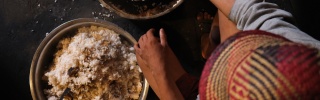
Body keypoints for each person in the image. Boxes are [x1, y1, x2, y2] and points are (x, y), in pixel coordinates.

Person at [134, 0, 320, 99]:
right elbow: (246, 8)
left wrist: (160, 73)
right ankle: (210, 46)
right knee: (232, 17)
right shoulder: (299, 50)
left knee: (145, 61)